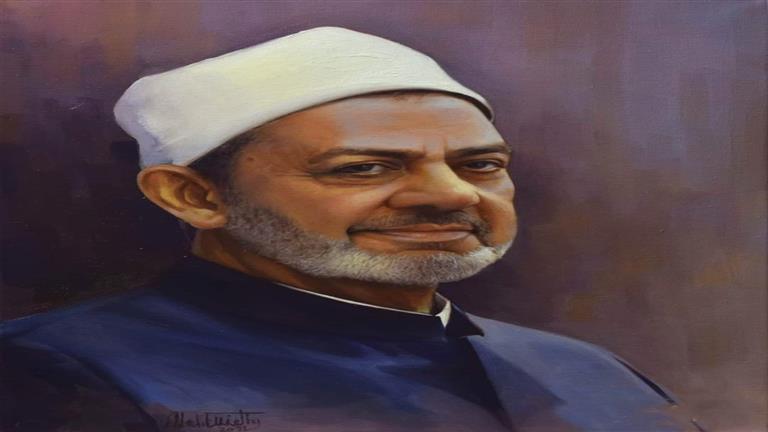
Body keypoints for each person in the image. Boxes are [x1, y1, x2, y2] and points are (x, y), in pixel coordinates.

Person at [1, 27, 701, 432]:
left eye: (480, 164)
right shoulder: (52, 371)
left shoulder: (585, 370)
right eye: (365, 167)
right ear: (194, 196)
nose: (450, 195)